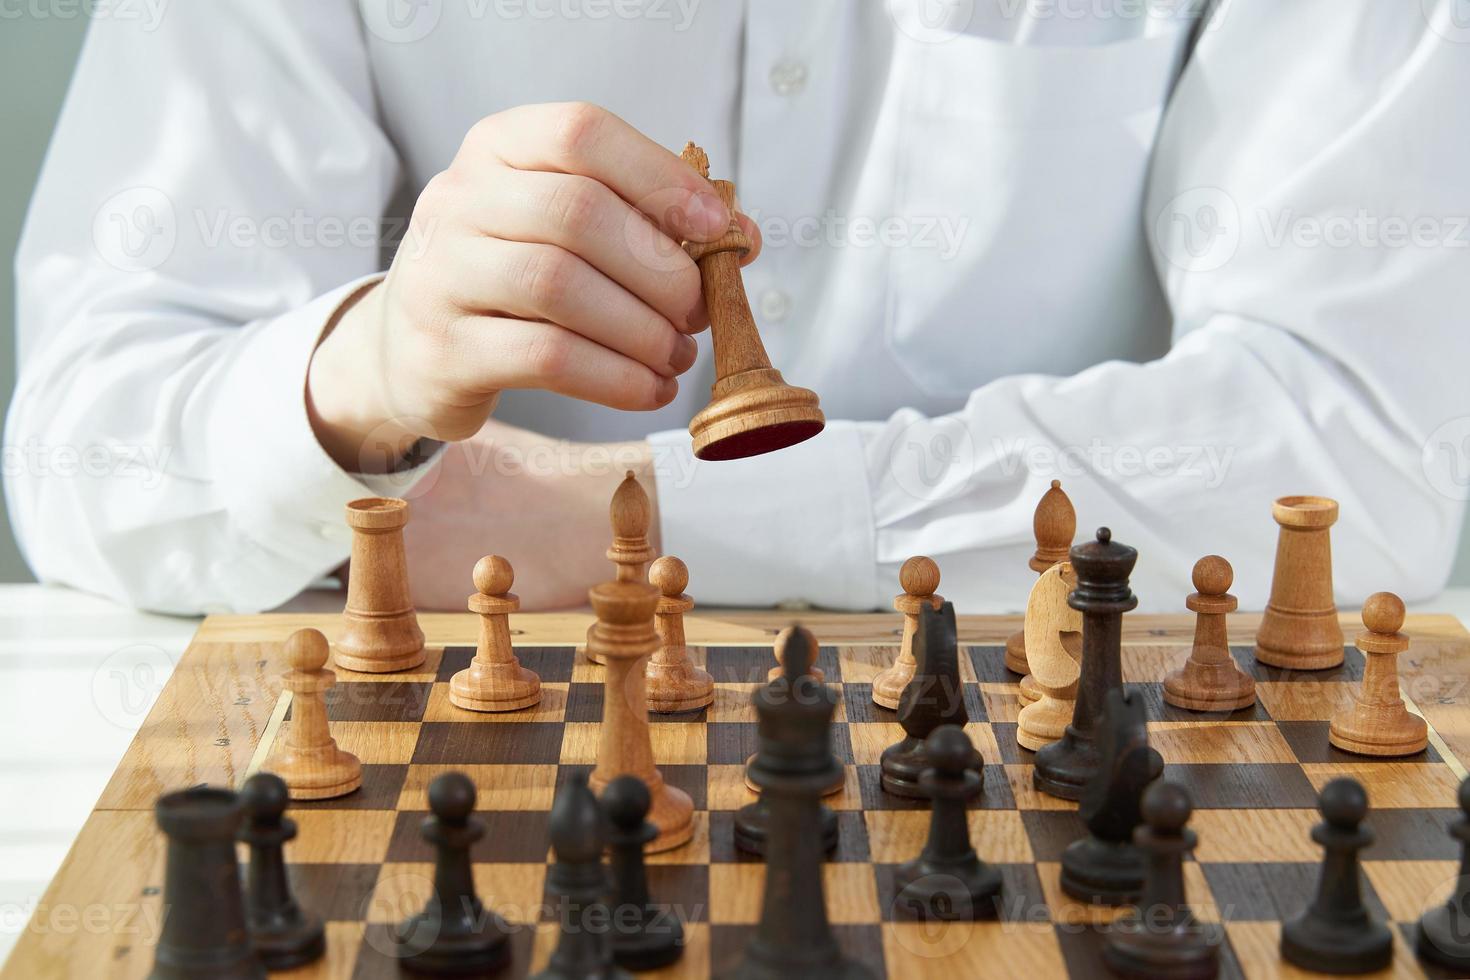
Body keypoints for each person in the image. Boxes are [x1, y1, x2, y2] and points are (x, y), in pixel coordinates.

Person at [6, 1, 1467, 615]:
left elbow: (1358, 448)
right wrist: (358, 378)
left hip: (1070, 748)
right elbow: (85, 444)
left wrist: (606, 516)